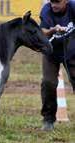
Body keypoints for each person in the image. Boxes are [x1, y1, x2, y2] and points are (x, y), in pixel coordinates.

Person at [39, 0, 75, 131]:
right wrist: (53, 30)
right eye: (52, 1)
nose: (54, 5)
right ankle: (48, 119)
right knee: (48, 83)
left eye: (58, 2)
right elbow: (41, 31)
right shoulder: (46, 10)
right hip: (51, 53)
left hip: (72, 51)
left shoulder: (73, 7)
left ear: (65, 1)